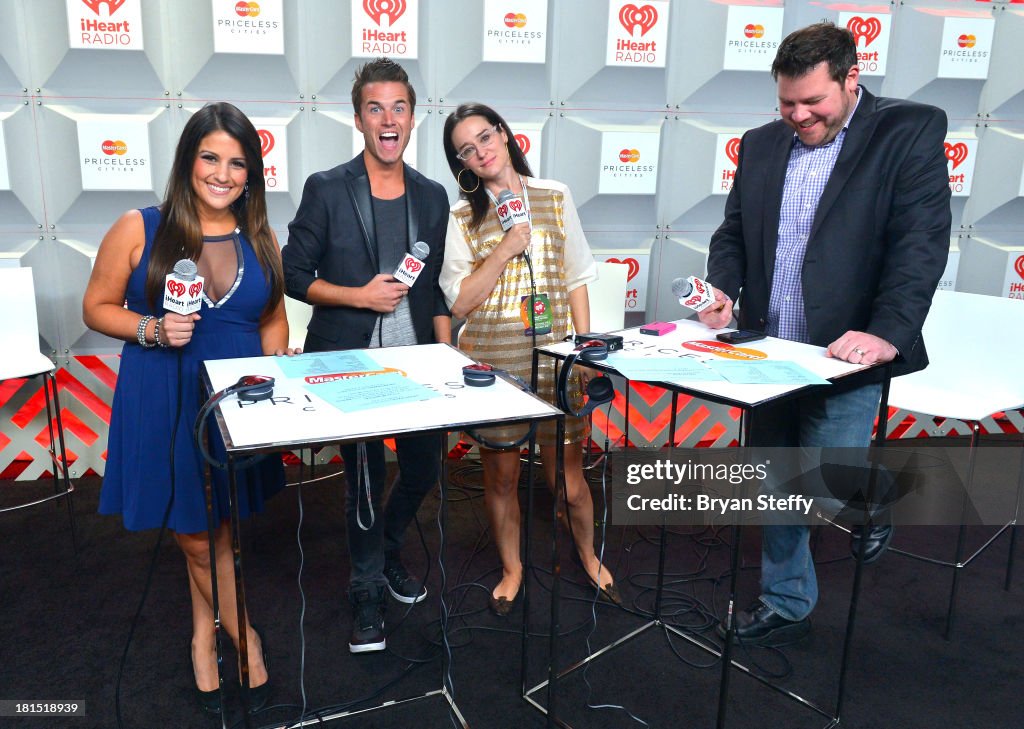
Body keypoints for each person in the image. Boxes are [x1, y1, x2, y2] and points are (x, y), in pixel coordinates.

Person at [700, 22, 951, 646]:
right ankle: (787, 599)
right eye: (787, 102)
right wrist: (722, 289)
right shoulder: (761, 145)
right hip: (770, 348)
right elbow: (732, 235)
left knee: (830, 481)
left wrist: (887, 331)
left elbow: (920, 244)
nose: (798, 115)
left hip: (848, 351)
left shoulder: (908, 131)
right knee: (778, 478)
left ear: (851, 79)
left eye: (814, 102)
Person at [83, 102, 294, 714]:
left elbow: (273, 312)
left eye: (237, 162)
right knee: (197, 537)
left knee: (218, 527)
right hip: (163, 393)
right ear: (187, 160)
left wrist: (273, 361)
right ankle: (244, 637)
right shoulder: (138, 226)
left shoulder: (260, 236)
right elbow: (96, 308)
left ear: (251, 172)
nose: (222, 173)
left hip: (234, 398)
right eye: (210, 157)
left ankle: (203, 634)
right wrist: (151, 328)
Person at [281, 58, 450, 653]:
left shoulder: (432, 196)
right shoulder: (328, 188)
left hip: (419, 365)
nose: (387, 119)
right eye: (375, 108)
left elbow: (433, 288)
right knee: (362, 480)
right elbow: (293, 274)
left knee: (426, 468)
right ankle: (367, 589)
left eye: (398, 107)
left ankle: (389, 547)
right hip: (349, 361)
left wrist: (446, 350)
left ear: (413, 117)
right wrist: (359, 295)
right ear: (358, 119)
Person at [440, 102, 619, 616]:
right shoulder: (459, 218)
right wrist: (503, 248)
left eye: (484, 137)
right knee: (499, 477)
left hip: (558, 361)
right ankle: (513, 569)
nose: (480, 152)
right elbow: (460, 302)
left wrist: (586, 352)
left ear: (504, 133)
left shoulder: (554, 196)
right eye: (466, 151)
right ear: (463, 166)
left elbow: (578, 277)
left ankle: (588, 554)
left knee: (569, 478)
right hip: (494, 366)